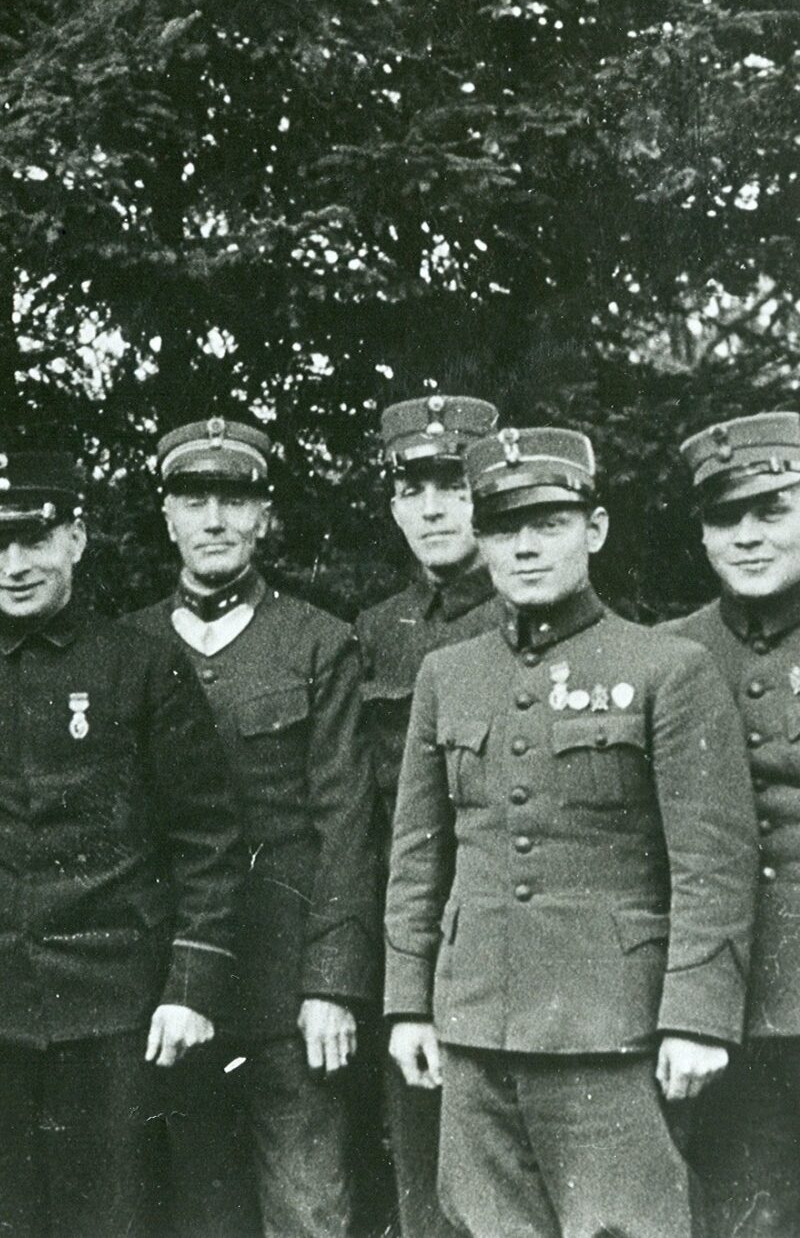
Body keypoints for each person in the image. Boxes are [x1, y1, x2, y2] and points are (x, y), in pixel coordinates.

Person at [385, 426, 757, 1238]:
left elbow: (712, 864)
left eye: (548, 524)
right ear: (481, 539)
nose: (524, 547)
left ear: (595, 529)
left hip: (610, 1027)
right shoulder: (447, 675)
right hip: (473, 1023)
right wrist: (408, 1004)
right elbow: (418, 855)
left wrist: (697, 1018)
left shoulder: (666, 668)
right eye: (503, 528)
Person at [0, 449, 245, 1238]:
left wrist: (190, 986)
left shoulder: (142, 666)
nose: (14, 565)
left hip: (115, 1006)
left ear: (76, 538)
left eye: (35, 539)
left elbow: (206, 834)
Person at [126, 417, 379, 1238]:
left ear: (265, 516)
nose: (214, 520)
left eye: (235, 500)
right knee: (193, 1208)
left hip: (284, 985)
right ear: (166, 515)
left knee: (308, 1207)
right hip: (163, 985)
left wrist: (332, 983)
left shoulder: (317, 642)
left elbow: (345, 823)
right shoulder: (126, 644)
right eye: (193, 500)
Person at [349, 392, 500, 1238]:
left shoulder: (531, 599)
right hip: (410, 947)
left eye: (455, 486)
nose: (435, 508)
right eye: (414, 489)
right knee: (424, 1190)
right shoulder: (378, 629)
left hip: (511, 939)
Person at [664, 412, 800, 1238]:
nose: (747, 535)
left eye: (772, 509)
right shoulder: (667, 653)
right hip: (729, 999)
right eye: (725, 516)